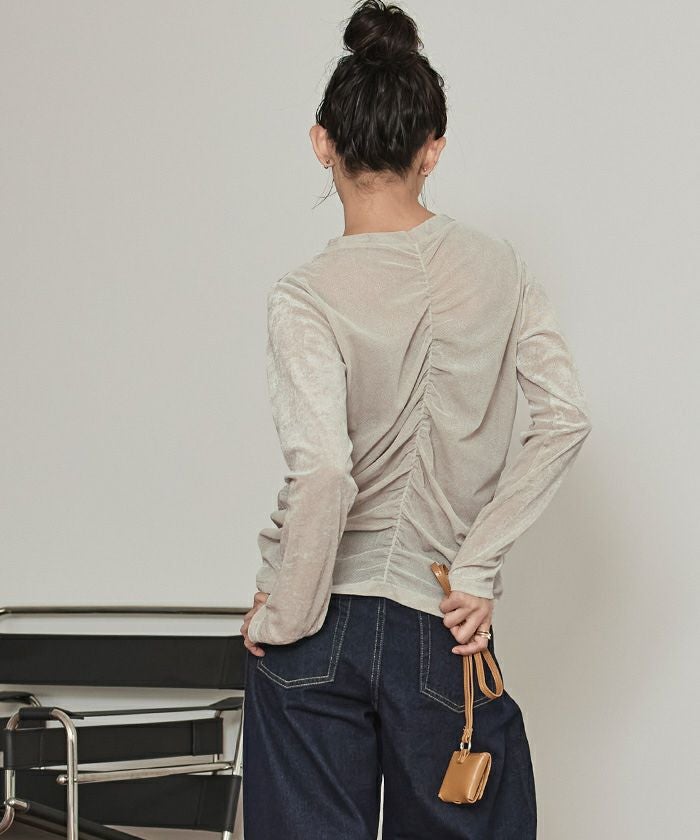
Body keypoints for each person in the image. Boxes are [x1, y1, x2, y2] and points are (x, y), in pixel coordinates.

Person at [240, 2, 592, 837]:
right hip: (437, 625)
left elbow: (325, 472)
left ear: (321, 141)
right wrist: (475, 567)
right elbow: (565, 416)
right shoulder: (500, 269)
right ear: (432, 149)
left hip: (317, 620)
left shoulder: (307, 295)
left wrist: (283, 613)